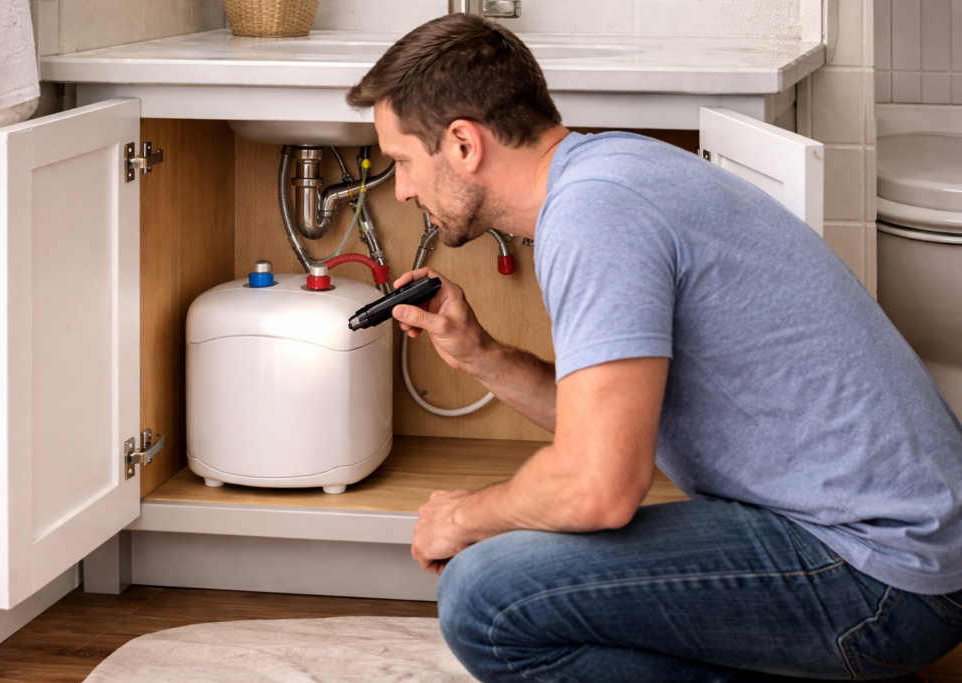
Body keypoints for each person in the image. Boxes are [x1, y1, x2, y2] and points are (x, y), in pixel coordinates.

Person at [346, 13, 962, 682]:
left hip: (884, 577)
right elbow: (609, 428)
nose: (402, 189)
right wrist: (478, 354)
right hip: (899, 541)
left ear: (463, 144)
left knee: (486, 597)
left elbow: (598, 486)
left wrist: (466, 516)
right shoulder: (608, 172)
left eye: (403, 161)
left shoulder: (592, 215)